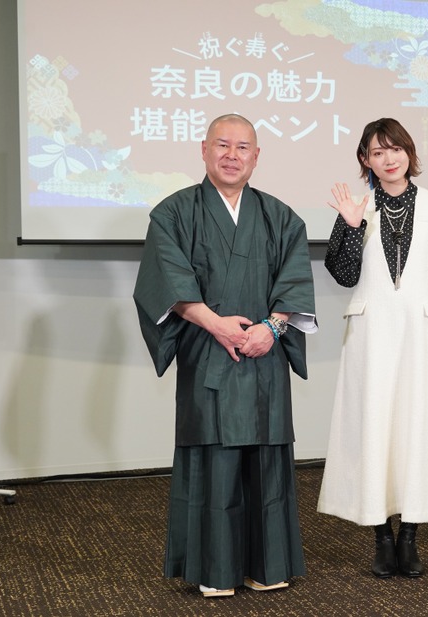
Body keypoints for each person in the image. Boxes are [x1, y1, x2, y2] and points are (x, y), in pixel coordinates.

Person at [133, 113, 317, 597]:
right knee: (212, 458)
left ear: (257, 157)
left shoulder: (281, 216)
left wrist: (271, 331)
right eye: (222, 145)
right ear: (203, 150)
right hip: (207, 350)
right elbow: (166, 282)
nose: (232, 155)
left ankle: (266, 564)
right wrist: (216, 325)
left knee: (268, 458)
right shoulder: (173, 213)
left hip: (264, 355)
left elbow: (294, 283)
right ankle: (214, 570)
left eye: (243, 147)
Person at [317, 118, 428, 578]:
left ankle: (410, 538)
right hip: (372, 335)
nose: (389, 158)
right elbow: (343, 274)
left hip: (424, 335)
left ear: (409, 152)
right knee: (375, 429)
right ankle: (381, 538)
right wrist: (348, 226)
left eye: (396, 149)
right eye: (377, 152)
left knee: (418, 430)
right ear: (365, 160)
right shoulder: (357, 208)